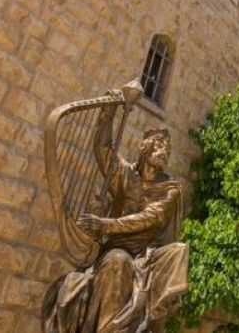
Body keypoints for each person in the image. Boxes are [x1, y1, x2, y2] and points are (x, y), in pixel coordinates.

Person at [42, 102, 188, 333]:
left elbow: (150, 217)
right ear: (145, 148)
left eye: (167, 148)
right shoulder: (125, 174)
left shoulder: (170, 189)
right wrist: (107, 114)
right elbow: (103, 150)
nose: (164, 151)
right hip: (115, 251)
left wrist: (104, 224)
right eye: (159, 144)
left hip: (146, 256)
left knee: (180, 250)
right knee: (118, 260)